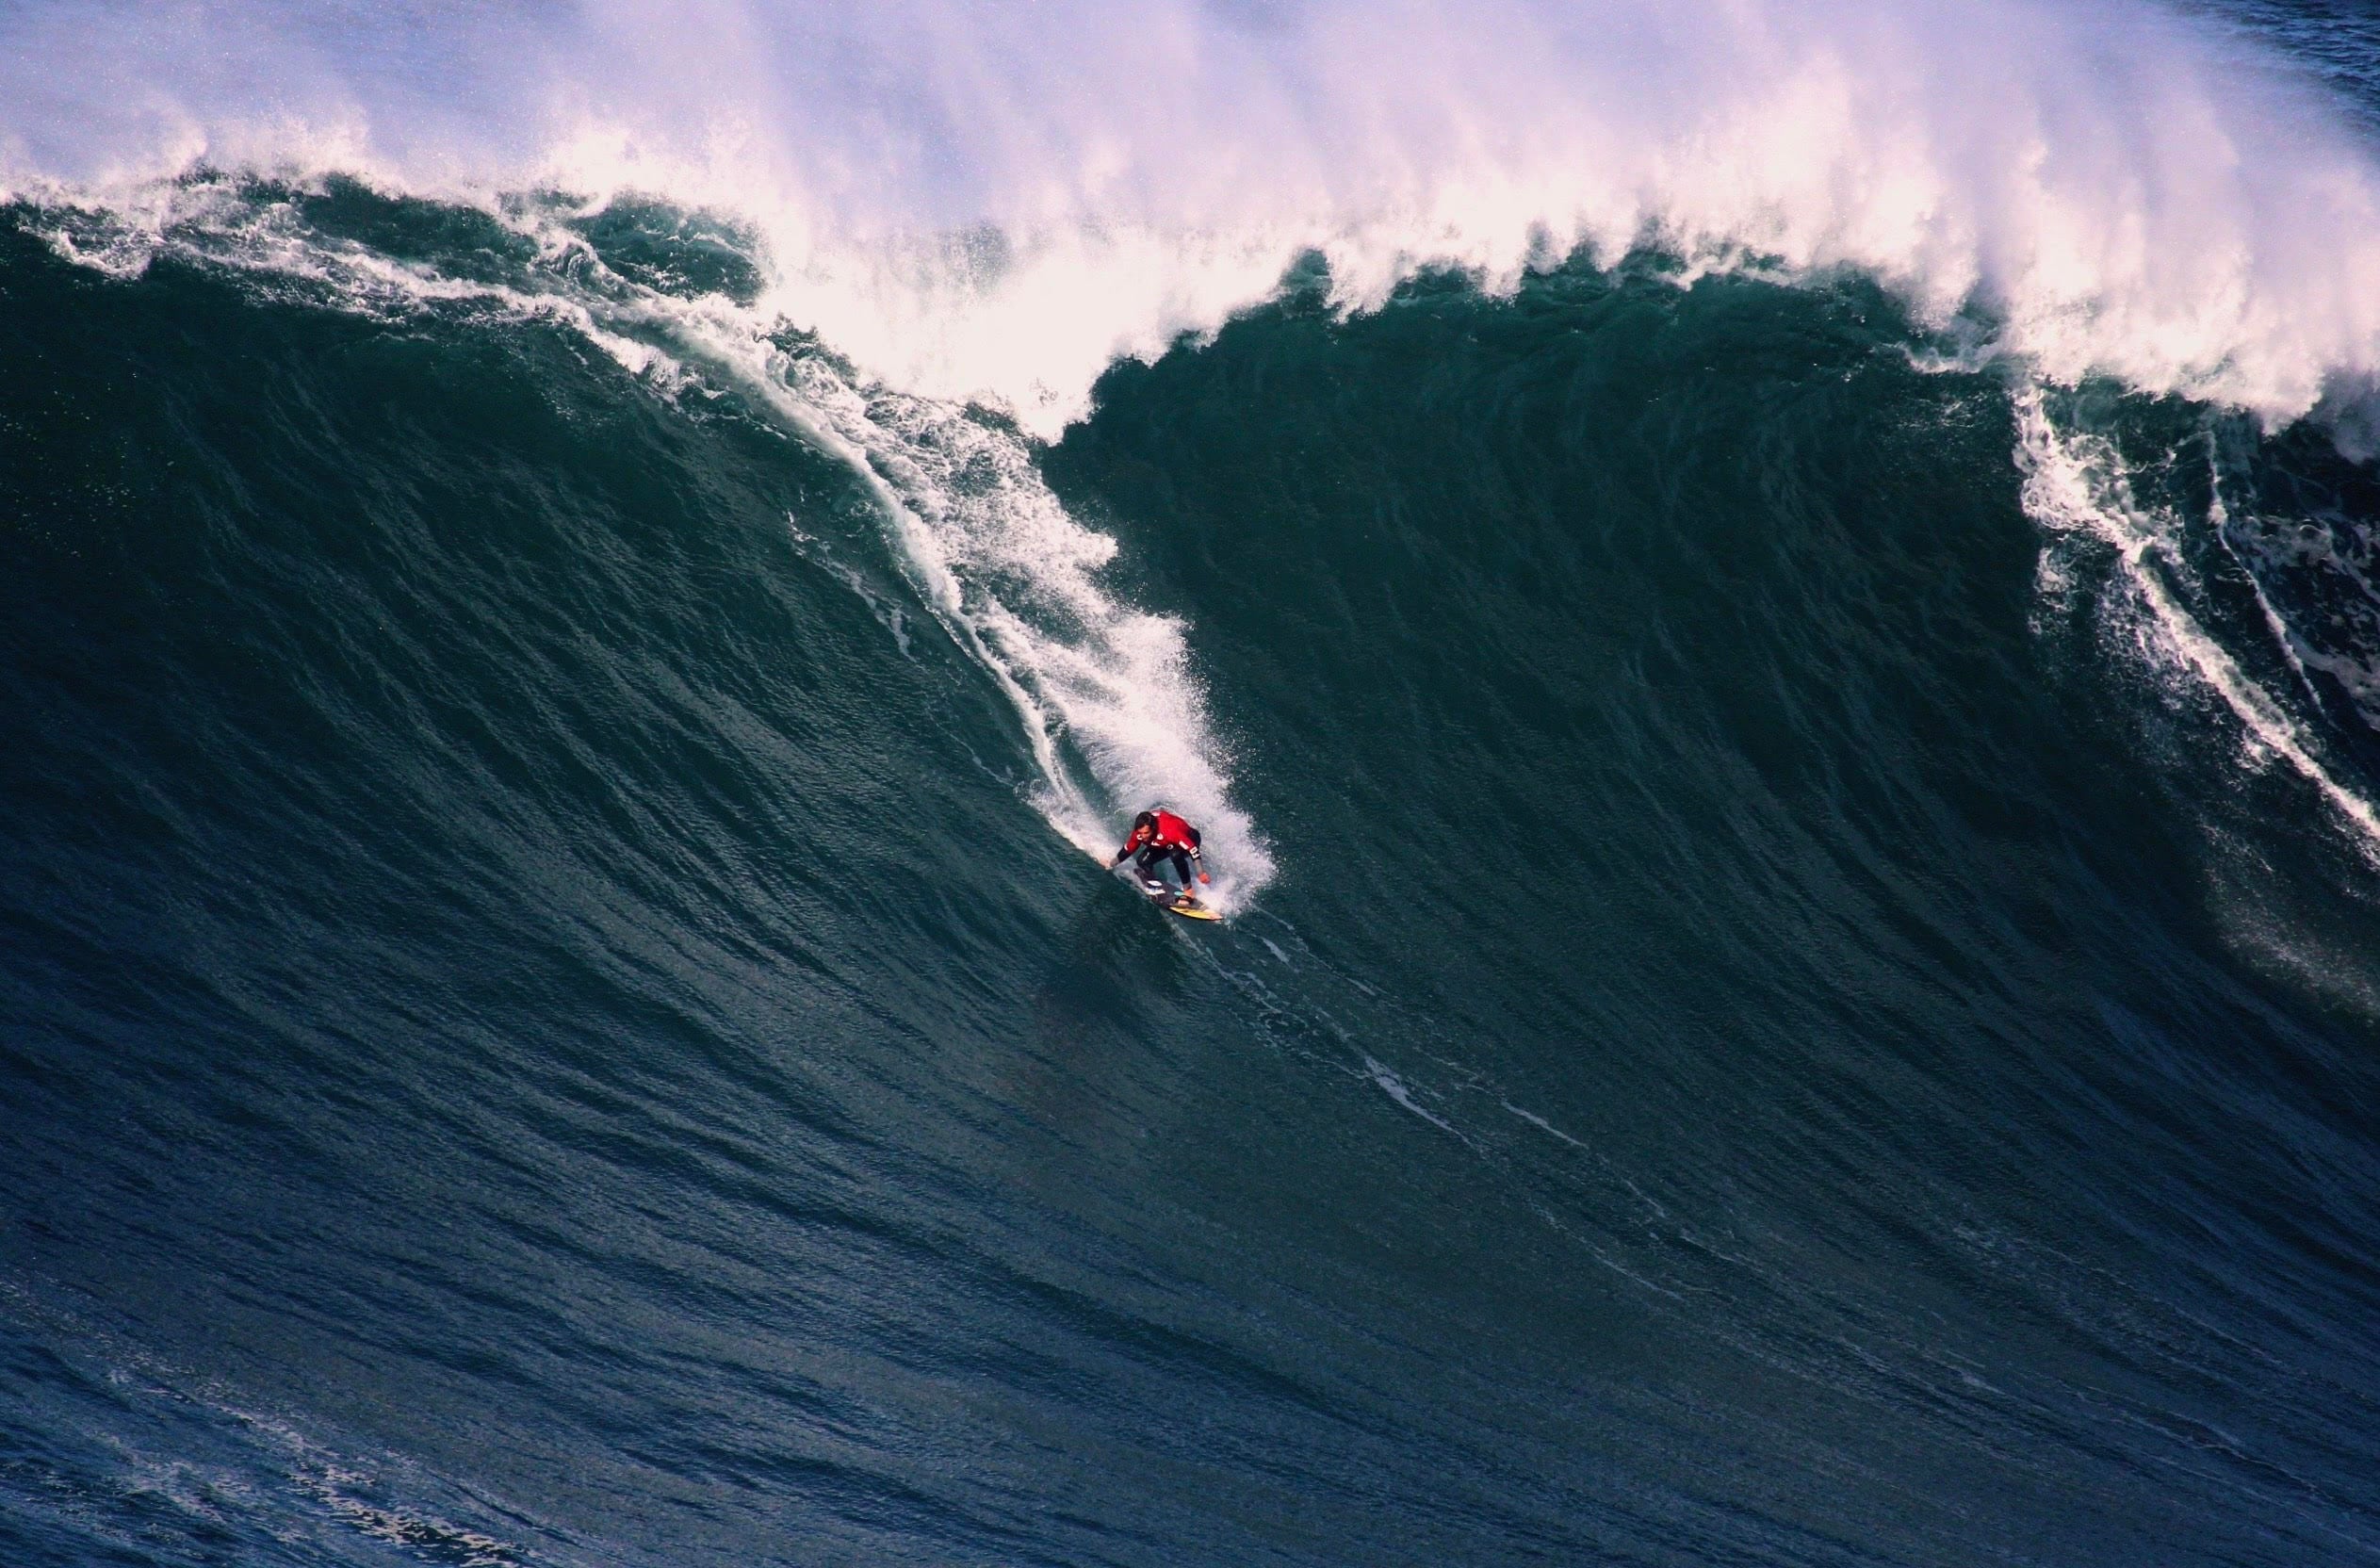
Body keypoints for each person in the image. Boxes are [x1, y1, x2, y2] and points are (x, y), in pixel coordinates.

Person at [1110, 808, 1211, 901]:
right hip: (1165, 843)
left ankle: (1188, 890)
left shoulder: (1170, 831)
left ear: (1153, 828)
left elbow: (1193, 850)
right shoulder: (1139, 833)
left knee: (1174, 854)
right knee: (1142, 862)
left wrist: (1201, 872)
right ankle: (1153, 880)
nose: (1143, 837)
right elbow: (1128, 849)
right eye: (1141, 833)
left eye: (1146, 833)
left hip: (1191, 838)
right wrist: (1111, 863)